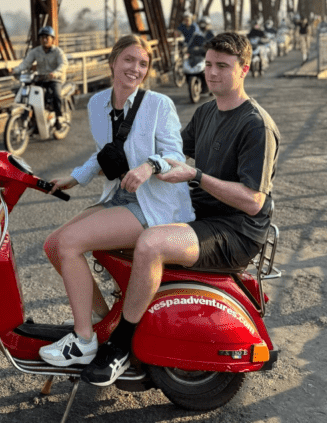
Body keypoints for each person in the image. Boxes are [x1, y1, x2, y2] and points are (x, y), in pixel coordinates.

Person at [78, 31, 280, 388]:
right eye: (208, 64)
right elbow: (166, 152)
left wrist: (197, 175)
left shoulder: (256, 124)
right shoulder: (206, 112)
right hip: (201, 214)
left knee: (151, 243)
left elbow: (253, 201)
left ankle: (121, 346)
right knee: (99, 229)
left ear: (244, 69)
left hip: (234, 229)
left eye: (223, 66)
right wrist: (103, 166)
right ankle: (109, 321)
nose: (212, 73)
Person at [39, 34, 194, 369]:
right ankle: (102, 321)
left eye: (142, 64)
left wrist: (148, 166)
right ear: (113, 62)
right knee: (52, 245)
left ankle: (83, 341)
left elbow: (175, 157)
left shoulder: (158, 105)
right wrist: (76, 176)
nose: (135, 69)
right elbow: (105, 151)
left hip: (153, 204)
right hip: (118, 195)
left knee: (68, 244)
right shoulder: (97, 104)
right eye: (128, 60)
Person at [14, 24, 68, 123]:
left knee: (56, 94)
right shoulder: (35, 51)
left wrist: (55, 73)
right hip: (41, 78)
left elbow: (63, 64)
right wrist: (16, 70)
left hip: (55, 79)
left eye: (47, 37)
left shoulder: (58, 52)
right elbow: (26, 63)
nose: (44, 40)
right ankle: (30, 117)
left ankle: (59, 116)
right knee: (29, 93)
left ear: (52, 39)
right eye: (42, 37)